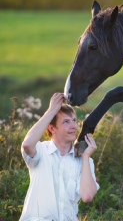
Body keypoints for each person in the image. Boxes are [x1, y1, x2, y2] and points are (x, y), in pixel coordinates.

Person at [19, 93, 99, 221]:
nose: (73, 126)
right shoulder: (41, 151)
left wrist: (85, 157)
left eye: (74, 120)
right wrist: (52, 110)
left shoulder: (85, 161)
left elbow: (87, 196)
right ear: (52, 128)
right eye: (66, 122)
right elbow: (27, 145)